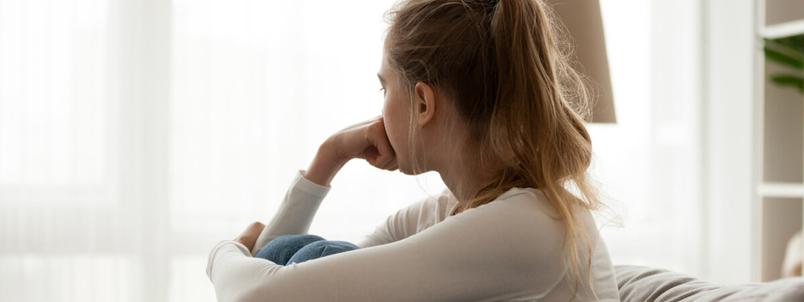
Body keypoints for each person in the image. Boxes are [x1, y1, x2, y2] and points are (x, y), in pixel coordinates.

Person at [206, 0, 620, 300]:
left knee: (307, 256)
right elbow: (295, 272)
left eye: (384, 88)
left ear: (423, 103)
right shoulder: (449, 212)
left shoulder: (530, 225)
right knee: (306, 255)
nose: (380, 107)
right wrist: (329, 156)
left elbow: (258, 296)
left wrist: (225, 252)